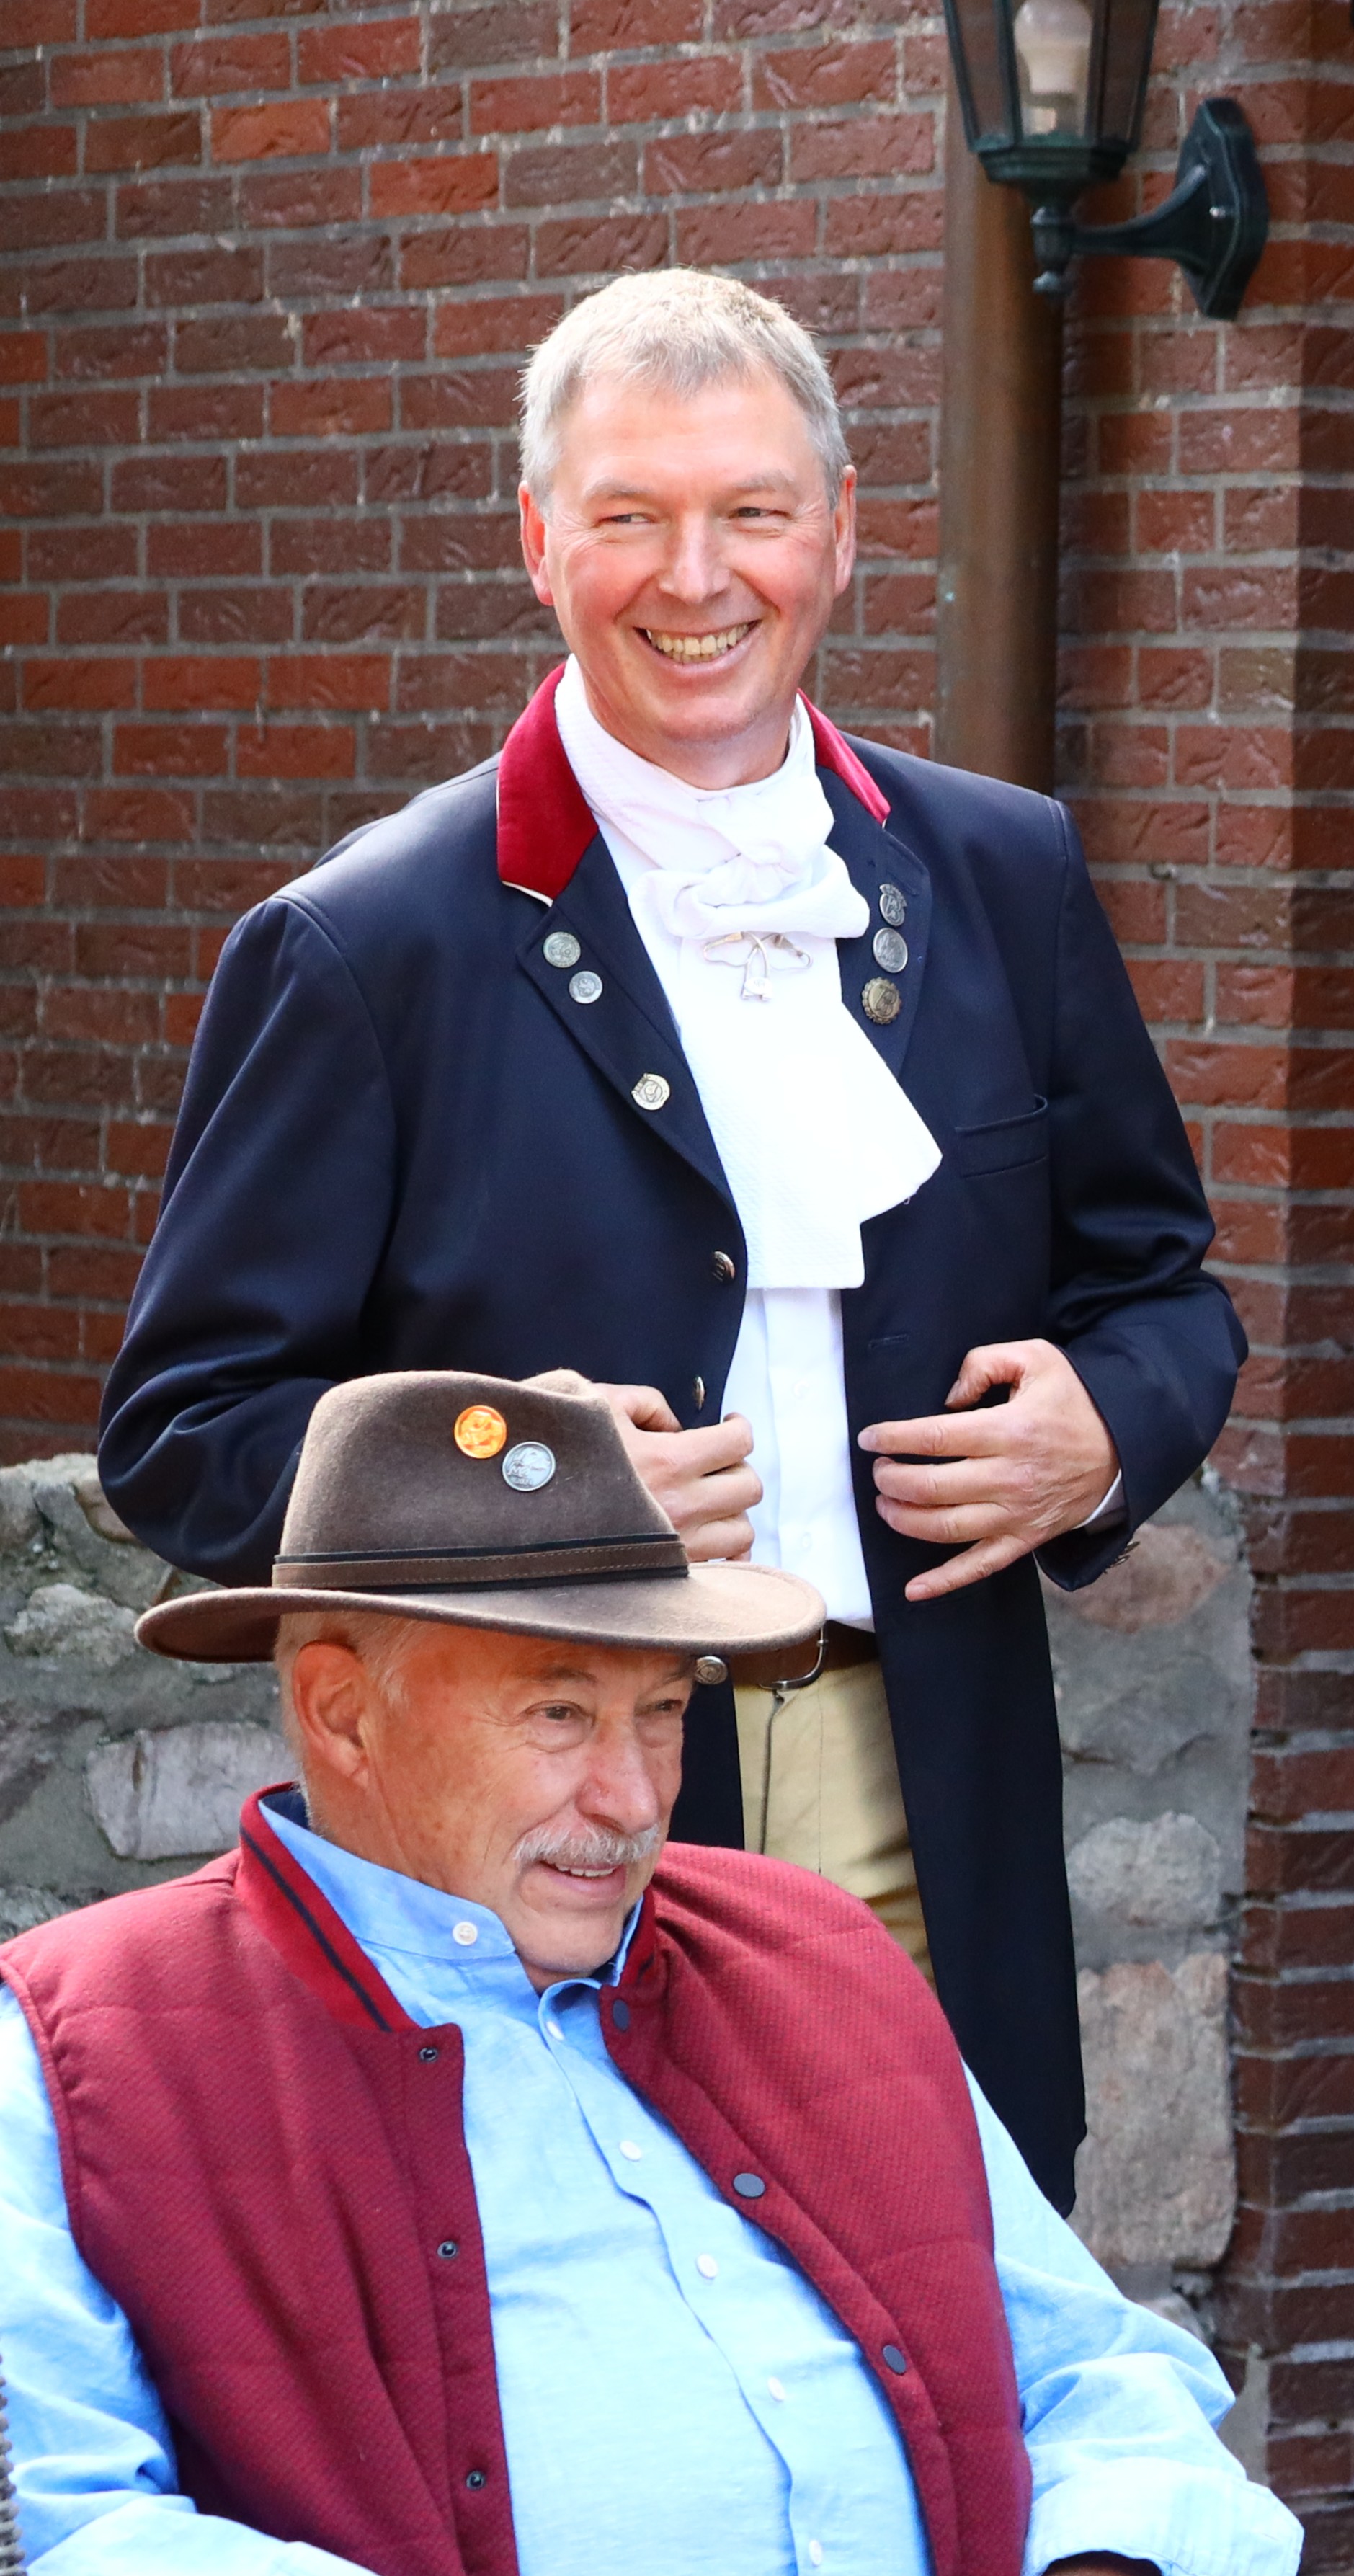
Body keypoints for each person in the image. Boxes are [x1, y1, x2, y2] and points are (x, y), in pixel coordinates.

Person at [93, 270, 1240, 2205]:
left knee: (938, 2296)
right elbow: (183, 1434)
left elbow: (1161, 1290)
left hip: (917, 1766)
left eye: (752, 513)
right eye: (629, 514)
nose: (695, 577)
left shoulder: (1003, 871)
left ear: (841, 535)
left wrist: (1107, 1424)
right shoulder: (366, 941)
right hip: (522, 1791)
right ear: (540, 542)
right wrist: (516, 1479)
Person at [0, 1372, 1299, 2576]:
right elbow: (56, 2529)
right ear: (342, 1711)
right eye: (559, 1714)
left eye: (665, 1710)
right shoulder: (87, 2038)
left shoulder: (817, 1952)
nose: (632, 1797)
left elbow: (1101, 2373)